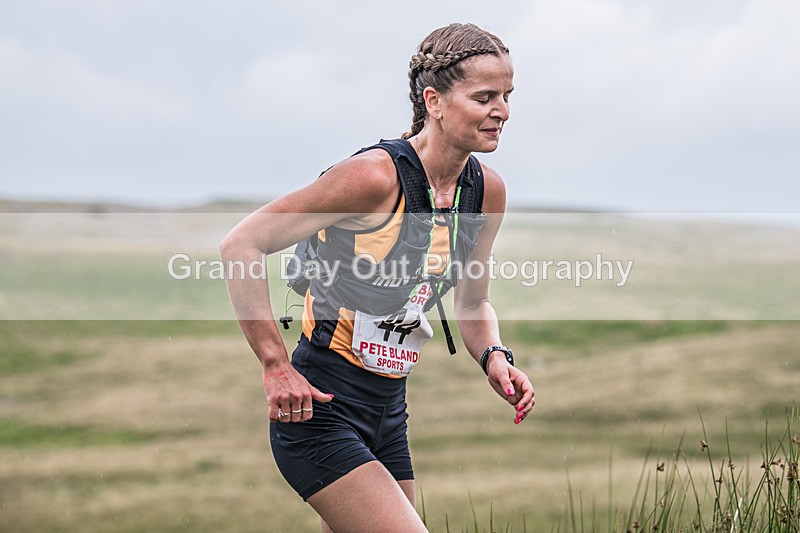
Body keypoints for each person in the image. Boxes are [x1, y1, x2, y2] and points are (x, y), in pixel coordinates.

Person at [220, 22, 535, 532]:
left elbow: (473, 304)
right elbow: (241, 243)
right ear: (434, 101)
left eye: (507, 95)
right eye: (484, 97)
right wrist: (274, 364)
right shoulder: (374, 178)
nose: (502, 111)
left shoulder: (485, 192)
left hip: (389, 415)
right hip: (320, 409)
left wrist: (495, 357)